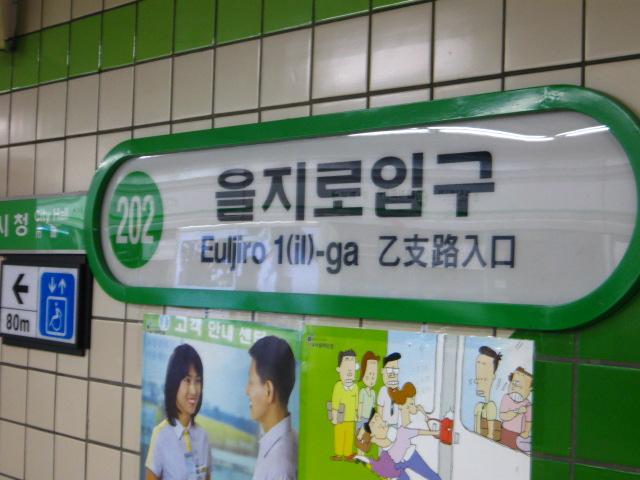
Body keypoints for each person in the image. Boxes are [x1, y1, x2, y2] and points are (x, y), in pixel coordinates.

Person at [146, 343, 212, 480]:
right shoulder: (161, 435)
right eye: (187, 380)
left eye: (198, 381)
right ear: (174, 382)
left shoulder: (203, 436)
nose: (194, 390)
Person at [246, 335, 298, 480]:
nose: (247, 391)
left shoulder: (279, 467)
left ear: (268, 391)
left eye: (251, 382)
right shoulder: (285, 440)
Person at [330, 349, 359, 461]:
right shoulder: (338, 386)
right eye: (347, 368)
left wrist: (356, 414)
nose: (350, 372)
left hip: (351, 418)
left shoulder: (355, 387)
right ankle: (338, 453)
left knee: (349, 435)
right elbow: (335, 402)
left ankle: (347, 453)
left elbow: (356, 402)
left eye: (352, 368)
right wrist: (334, 416)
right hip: (340, 418)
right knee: (339, 434)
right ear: (339, 369)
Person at [499, 367, 533, 454]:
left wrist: (526, 432)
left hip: (520, 435)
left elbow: (529, 421)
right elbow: (503, 416)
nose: (515, 388)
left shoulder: (528, 404)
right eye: (513, 383)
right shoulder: (506, 398)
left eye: (520, 387)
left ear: (530, 390)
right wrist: (517, 411)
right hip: (506, 431)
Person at [473, 346, 502, 440]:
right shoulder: (479, 406)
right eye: (478, 363)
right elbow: (476, 432)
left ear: (493, 376)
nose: (479, 368)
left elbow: (490, 437)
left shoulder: (491, 406)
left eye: (484, 364)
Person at [378, 352, 401, 427]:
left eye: (396, 370)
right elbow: (380, 407)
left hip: (395, 424)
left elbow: (400, 408)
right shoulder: (383, 390)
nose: (393, 374)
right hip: (385, 424)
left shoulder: (398, 391)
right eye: (389, 370)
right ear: (382, 371)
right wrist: (381, 422)